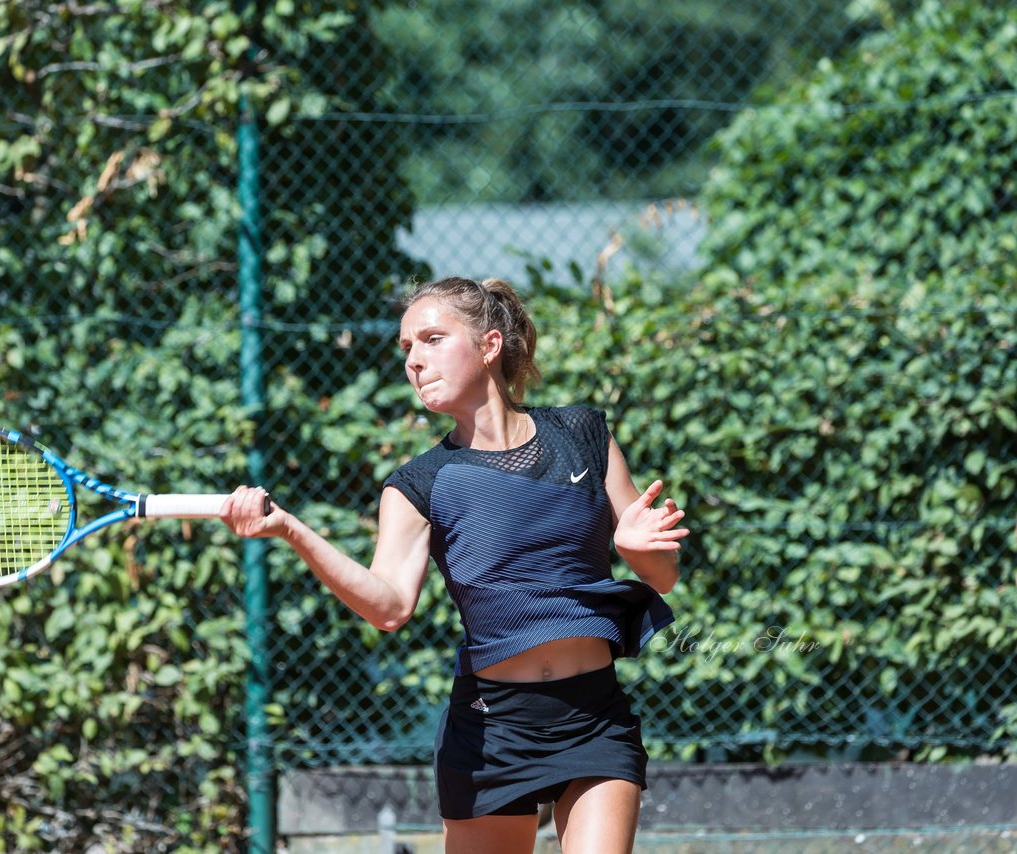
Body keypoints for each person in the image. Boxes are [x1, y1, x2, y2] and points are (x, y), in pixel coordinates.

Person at [220, 275, 688, 854]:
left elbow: (662, 576)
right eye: (406, 348)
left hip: (594, 716)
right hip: (491, 729)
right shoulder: (418, 484)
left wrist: (645, 553)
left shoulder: (583, 435)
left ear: (490, 345)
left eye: (432, 339)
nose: (414, 361)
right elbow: (389, 607)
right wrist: (290, 529)